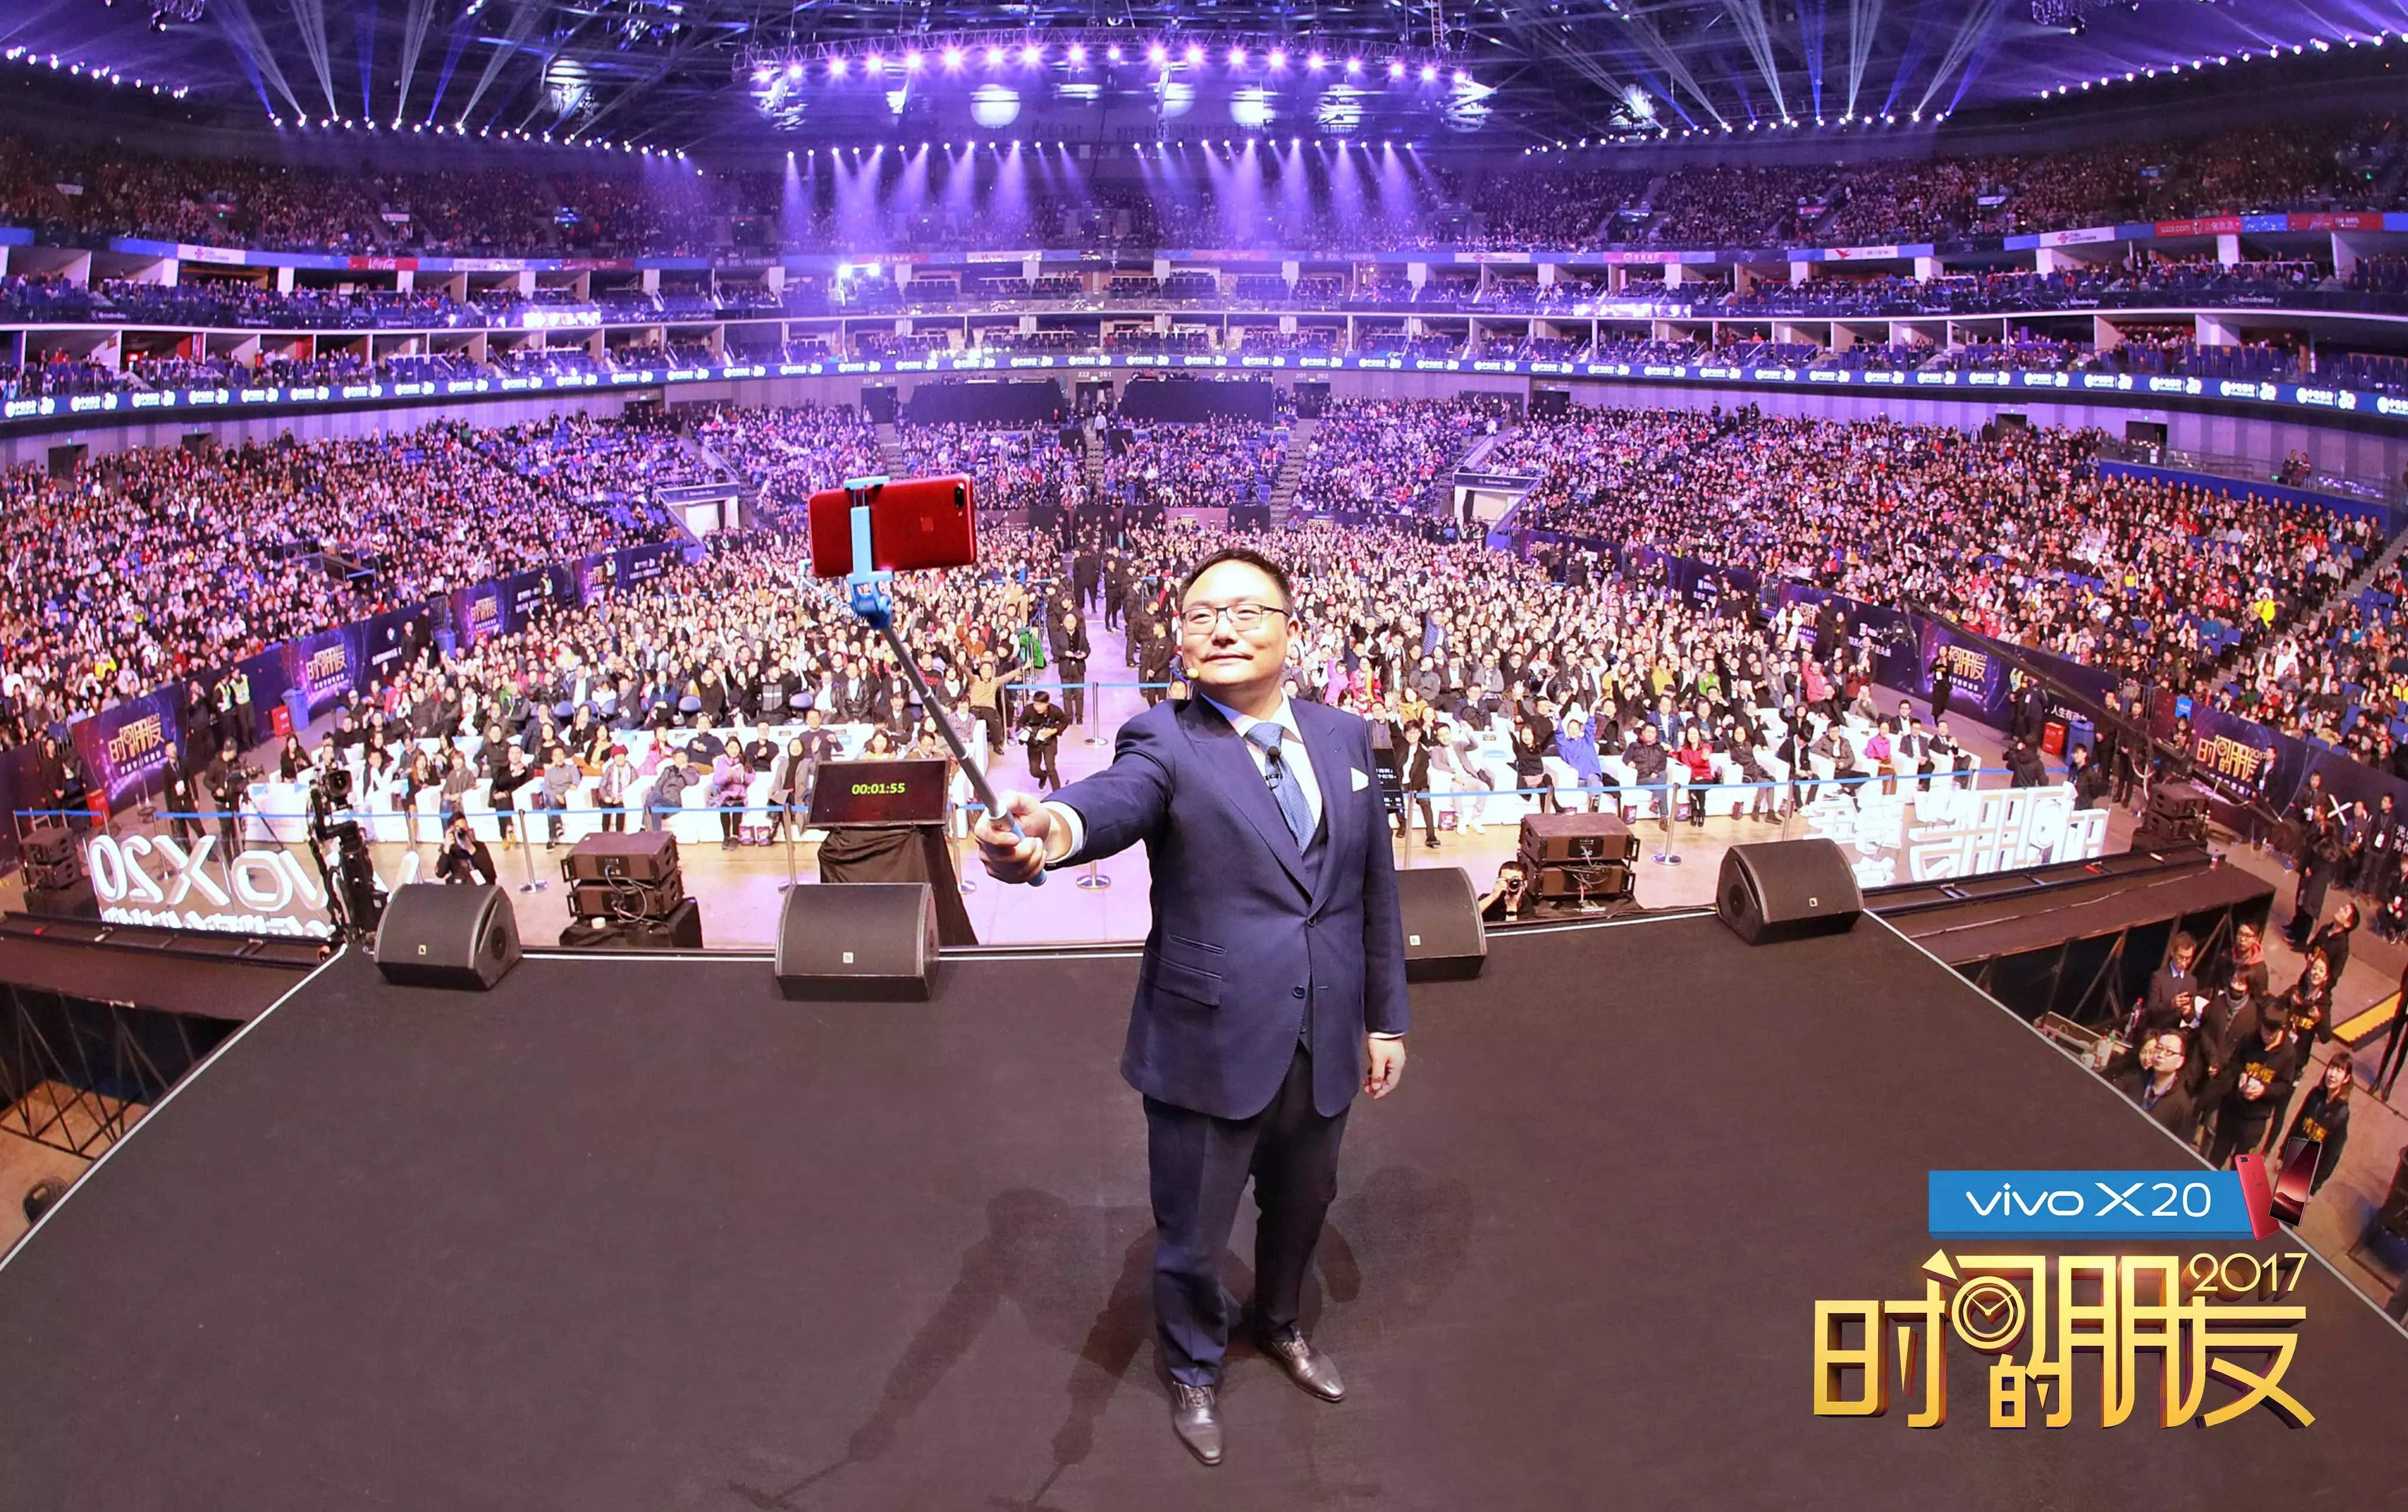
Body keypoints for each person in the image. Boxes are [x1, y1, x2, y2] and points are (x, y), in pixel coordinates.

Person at [971, 547, 1408, 1468]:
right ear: (1181, 637)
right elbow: (1106, 804)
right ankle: (1194, 1365)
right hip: (1208, 1041)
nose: (1223, 628)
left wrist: (1386, 1018)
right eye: (1204, 614)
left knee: (1304, 1203)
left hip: (1324, 1035)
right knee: (1193, 1235)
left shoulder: (1344, 736)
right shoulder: (1163, 739)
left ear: (1290, 630)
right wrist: (1046, 830)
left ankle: (1280, 1321)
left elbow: (1374, 886)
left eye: (1247, 611)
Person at [2204, 1008, 2301, 1169]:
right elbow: (2234, 1061)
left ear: (2281, 1030)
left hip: (2255, 1119)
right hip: (2232, 1109)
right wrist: (2240, 1074)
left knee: (2239, 1168)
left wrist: (2264, 1090)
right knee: (2215, 1158)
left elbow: (2285, 1087)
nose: (2266, 1036)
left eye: (2271, 1033)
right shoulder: (2250, 1038)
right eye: (2264, 1030)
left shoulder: (2288, 1053)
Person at [2276, 1057, 2354, 1200]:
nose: (2332, 1074)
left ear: (2346, 1078)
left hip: (2309, 1168)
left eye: (2339, 1071)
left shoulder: (2341, 1114)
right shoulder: (2315, 1095)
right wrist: (2283, 1154)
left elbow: (2332, 1156)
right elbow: (2298, 1124)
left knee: (2285, 1211)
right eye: (2331, 1068)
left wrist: (2314, 1187)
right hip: (2294, 1155)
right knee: (2277, 1205)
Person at [2111, 1031, 2199, 1140]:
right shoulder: (2136, 1079)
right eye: (2159, 1048)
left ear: (2180, 1062)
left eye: (2169, 1052)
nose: (2160, 1055)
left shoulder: (2181, 1106)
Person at [1017, 689, 1069, 793]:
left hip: (1049, 742)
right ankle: (1043, 776)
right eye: (1035, 704)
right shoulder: (1028, 710)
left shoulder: (1055, 711)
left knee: (1051, 768)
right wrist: (1025, 731)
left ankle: (1058, 794)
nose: (1037, 707)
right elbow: (1020, 723)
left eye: (1040, 705)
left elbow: (1065, 722)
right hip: (1034, 742)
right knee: (1034, 771)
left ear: (1047, 703)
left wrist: (1054, 731)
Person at [434, 810, 498, 885]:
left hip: (480, 888)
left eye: (464, 829)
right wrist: (447, 848)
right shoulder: (451, 851)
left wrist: (471, 849)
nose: (461, 833)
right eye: (458, 830)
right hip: (459, 888)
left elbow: (491, 875)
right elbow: (440, 873)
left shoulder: (479, 846)